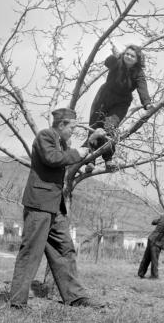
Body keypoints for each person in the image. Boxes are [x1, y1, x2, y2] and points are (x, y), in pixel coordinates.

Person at [10, 108, 104, 309]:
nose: (73, 131)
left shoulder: (60, 142)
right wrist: (78, 152)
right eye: (72, 127)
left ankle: (75, 297)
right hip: (39, 204)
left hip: (55, 206)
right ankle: (17, 302)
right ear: (62, 125)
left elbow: (68, 156)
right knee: (31, 252)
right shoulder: (45, 136)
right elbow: (53, 158)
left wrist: (92, 140)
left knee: (64, 249)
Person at [84, 45, 153, 172]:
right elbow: (108, 62)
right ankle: (90, 160)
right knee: (95, 126)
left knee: (109, 127)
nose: (129, 57)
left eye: (132, 56)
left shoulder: (138, 73)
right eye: (127, 54)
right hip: (104, 97)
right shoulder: (117, 62)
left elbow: (142, 87)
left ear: (137, 60)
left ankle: (108, 158)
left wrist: (147, 103)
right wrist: (117, 56)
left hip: (121, 102)